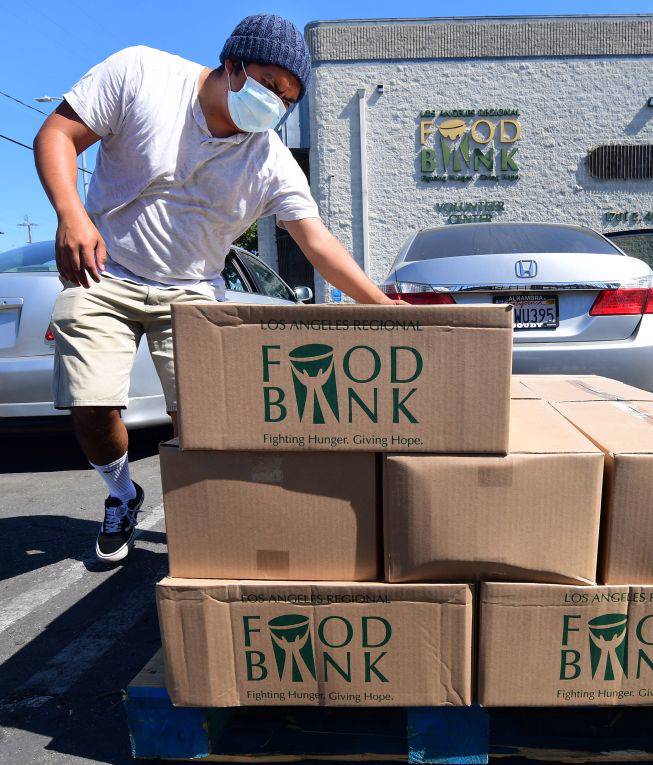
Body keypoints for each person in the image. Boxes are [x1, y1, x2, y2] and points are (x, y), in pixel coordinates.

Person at [33, 14, 401, 563]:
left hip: (192, 291)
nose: (275, 104)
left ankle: (206, 523)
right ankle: (121, 493)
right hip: (106, 272)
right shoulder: (142, 74)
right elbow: (57, 134)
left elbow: (315, 241)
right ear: (232, 65)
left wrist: (382, 307)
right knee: (91, 404)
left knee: (202, 423)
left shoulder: (269, 160)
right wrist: (71, 215)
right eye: (270, 86)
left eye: (287, 100)